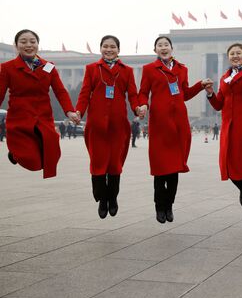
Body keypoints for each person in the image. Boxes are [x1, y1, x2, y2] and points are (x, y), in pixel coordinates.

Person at [138, 36, 208, 223]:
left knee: (175, 169)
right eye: (159, 45)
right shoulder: (149, 69)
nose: (163, 48)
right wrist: (143, 105)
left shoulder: (182, 69)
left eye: (166, 45)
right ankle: (159, 207)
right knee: (161, 169)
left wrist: (200, 86)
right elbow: (143, 92)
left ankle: (169, 206)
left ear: (172, 48)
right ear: (155, 50)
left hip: (179, 124)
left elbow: (184, 94)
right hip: (160, 124)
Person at [76, 35, 142, 219]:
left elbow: (133, 94)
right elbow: (84, 94)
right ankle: (102, 197)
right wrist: (79, 112)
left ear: (118, 50)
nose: (109, 49)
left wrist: (137, 108)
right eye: (105, 46)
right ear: (101, 49)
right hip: (96, 124)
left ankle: (112, 198)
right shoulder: (92, 69)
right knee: (98, 162)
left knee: (114, 164)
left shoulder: (126, 71)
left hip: (118, 125)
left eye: (113, 46)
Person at [0, 29, 80, 178]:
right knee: (30, 160)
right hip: (20, 118)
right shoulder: (7, 68)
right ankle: (15, 154)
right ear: (16, 46)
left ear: (37, 44)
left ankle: (17, 153)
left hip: (42, 116)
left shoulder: (48, 66)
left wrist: (69, 111)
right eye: (23, 42)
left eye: (32, 41)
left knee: (52, 154)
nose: (28, 45)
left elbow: (60, 91)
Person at [204, 43, 242, 206]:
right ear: (228, 57)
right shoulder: (225, 77)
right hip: (227, 125)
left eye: (239, 53)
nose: (235, 56)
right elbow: (218, 104)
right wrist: (210, 93)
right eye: (232, 53)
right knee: (227, 162)